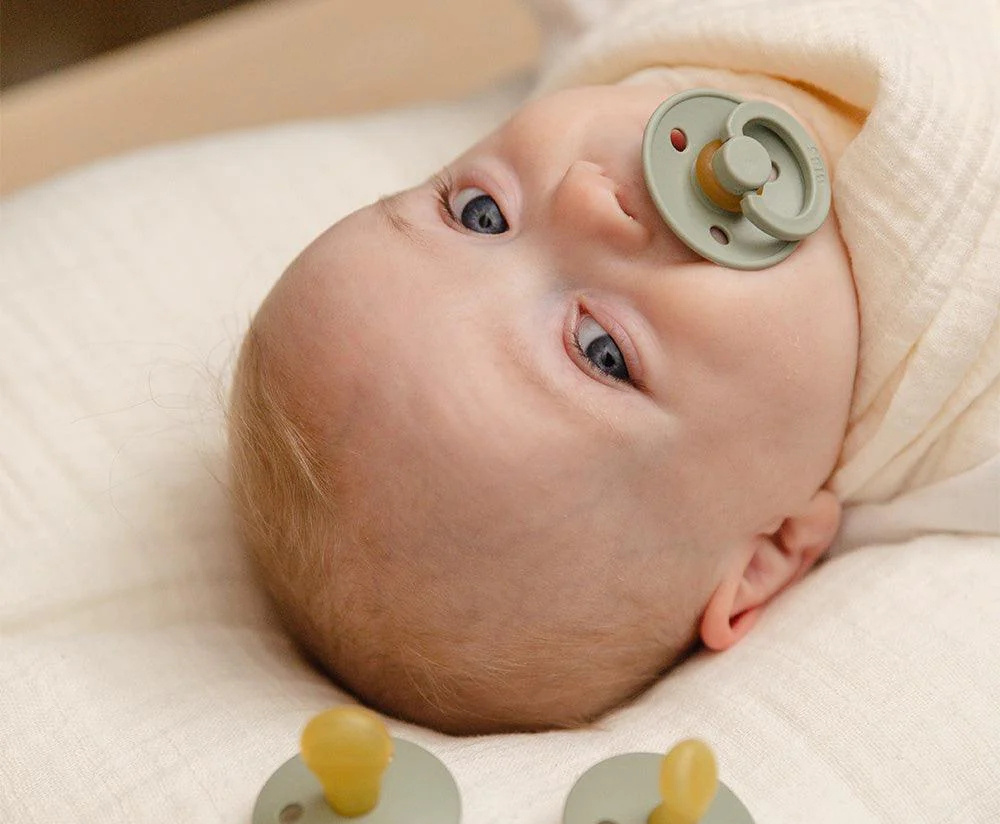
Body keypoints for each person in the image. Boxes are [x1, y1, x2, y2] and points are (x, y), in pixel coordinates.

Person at [229, 2, 999, 735]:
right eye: (603, 350)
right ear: (770, 552)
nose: (586, 199)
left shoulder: (629, 49)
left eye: (480, 213)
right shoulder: (958, 433)